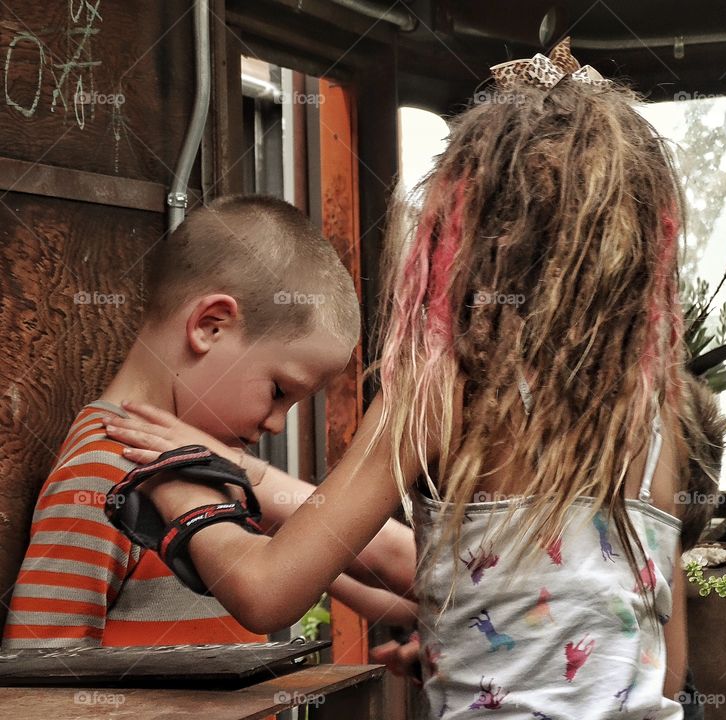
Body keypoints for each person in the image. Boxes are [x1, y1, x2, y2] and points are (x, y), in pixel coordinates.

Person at [106, 39, 710, 717]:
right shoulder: (653, 418)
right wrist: (494, 653)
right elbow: (661, 666)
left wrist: (179, 479)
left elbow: (266, 591)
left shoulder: (444, 385)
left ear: (462, 232)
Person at [2, 195, 416, 649]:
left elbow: (393, 590)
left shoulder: (208, 468)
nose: (277, 424)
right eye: (279, 391)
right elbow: (42, 669)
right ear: (210, 325)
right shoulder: (105, 471)